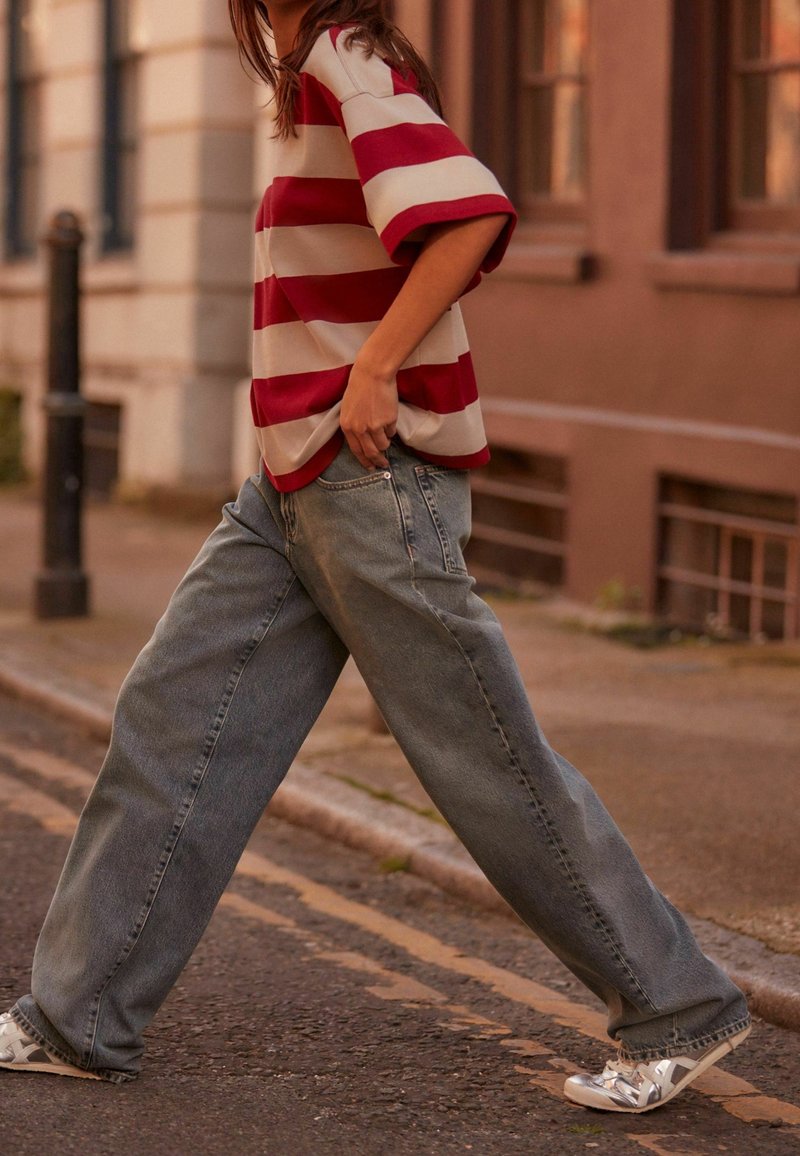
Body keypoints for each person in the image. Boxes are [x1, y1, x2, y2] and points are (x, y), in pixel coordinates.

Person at [0, 0, 750, 1112]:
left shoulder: (347, 61)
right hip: (292, 484)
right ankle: (77, 1012)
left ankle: (677, 1005)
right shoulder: (309, 74)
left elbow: (466, 214)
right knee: (172, 717)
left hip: (367, 477)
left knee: (482, 756)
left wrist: (373, 368)